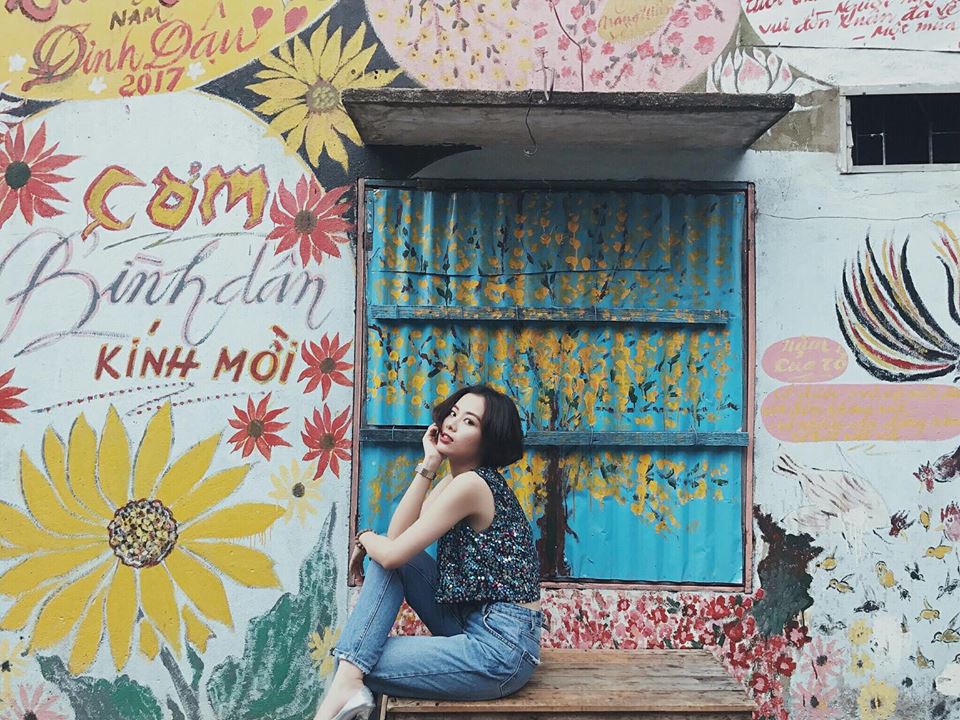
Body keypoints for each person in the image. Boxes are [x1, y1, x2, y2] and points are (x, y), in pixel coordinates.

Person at [313, 385, 544, 720]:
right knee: (354, 659)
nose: (451, 423)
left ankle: (336, 700)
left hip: (501, 649)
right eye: (454, 413)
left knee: (353, 660)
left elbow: (390, 552)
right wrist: (430, 463)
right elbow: (398, 540)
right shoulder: (456, 480)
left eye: (469, 422)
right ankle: (346, 688)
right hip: (470, 621)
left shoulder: (472, 485)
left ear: (488, 439)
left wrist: (364, 537)